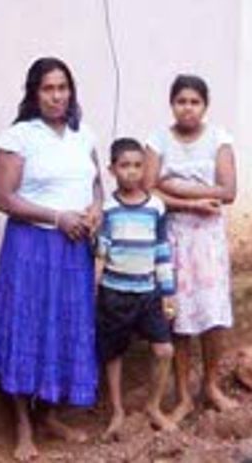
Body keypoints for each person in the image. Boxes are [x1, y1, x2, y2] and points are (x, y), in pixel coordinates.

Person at [0, 57, 104, 460]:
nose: (57, 96)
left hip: (74, 249)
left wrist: (96, 209)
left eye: (63, 87)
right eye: (48, 89)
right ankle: (23, 426)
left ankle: (50, 415)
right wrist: (57, 216)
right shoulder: (18, 137)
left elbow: (98, 183)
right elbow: (5, 199)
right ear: (34, 94)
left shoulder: (84, 135)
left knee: (65, 327)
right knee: (27, 327)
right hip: (32, 247)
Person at [144, 74, 238, 422]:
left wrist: (173, 185)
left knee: (213, 315)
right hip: (175, 238)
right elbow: (148, 189)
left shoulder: (219, 139)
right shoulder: (157, 140)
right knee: (179, 316)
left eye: (194, 102)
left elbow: (228, 192)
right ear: (172, 104)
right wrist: (193, 200)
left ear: (205, 106)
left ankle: (211, 387)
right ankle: (183, 395)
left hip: (208, 240)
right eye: (181, 101)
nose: (188, 108)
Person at [95, 137, 178, 440]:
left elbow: (161, 249)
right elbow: (101, 252)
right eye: (124, 166)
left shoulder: (156, 207)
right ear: (112, 169)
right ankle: (117, 410)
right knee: (113, 353)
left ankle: (153, 407)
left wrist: (168, 292)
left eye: (138, 165)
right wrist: (95, 289)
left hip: (148, 293)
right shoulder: (107, 208)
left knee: (164, 349)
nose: (131, 172)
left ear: (145, 168)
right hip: (114, 293)